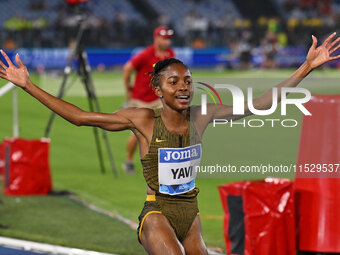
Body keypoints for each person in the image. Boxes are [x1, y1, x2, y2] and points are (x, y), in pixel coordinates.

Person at [0, 33, 339, 255]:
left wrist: (306, 67)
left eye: (188, 81)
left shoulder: (202, 115)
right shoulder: (143, 120)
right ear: (157, 89)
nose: (183, 87)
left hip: (190, 214)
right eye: (173, 81)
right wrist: (27, 85)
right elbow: (80, 117)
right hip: (157, 212)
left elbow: (261, 105)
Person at [122, 25, 175, 174]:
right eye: (164, 39)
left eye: (168, 39)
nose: (167, 42)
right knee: (137, 133)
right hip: (141, 99)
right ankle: (128, 160)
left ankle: (162, 164)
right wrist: (128, 90)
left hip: (158, 99)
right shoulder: (146, 54)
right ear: (156, 38)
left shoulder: (170, 54)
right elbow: (127, 68)